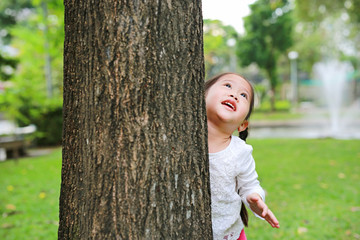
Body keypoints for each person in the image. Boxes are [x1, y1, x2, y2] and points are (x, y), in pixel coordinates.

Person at [205, 72, 280, 240]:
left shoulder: (240, 152)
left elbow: (249, 185)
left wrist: (255, 198)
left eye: (243, 95)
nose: (234, 95)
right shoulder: (182, 140)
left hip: (229, 235)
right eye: (227, 86)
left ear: (243, 124)